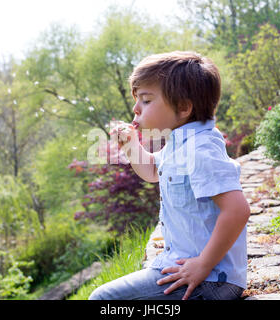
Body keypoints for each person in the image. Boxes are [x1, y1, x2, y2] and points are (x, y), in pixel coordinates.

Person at [89, 51, 250, 300]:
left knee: (103, 299)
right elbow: (153, 171)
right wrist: (132, 145)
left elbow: (237, 210)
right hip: (191, 269)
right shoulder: (180, 143)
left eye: (146, 100)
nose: (135, 108)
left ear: (184, 107)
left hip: (210, 279)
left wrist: (203, 264)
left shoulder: (200, 149)